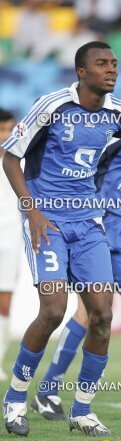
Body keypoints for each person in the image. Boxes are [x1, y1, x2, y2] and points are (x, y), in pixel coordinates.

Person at [1, 41, 121, 437]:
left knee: (102, 315)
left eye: (115, 64)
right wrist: (31, 209)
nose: (111, 69)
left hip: (89, 223)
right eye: (102, 64)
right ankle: (16, 397)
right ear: (81, 72)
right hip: (47, 219)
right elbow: (10, 156)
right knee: (53, 309)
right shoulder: (51, 107)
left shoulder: (119, 113)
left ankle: (82, 409)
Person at [32, 72, 121, 422]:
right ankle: (47, 391)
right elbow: (82, 171)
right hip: (91, 229)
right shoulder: (115, 132)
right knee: (89, 313)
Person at [0, 109, 22, 381]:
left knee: (4, 303)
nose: (5, 135)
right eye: (0, 129)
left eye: (8, 129)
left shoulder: (20, 162)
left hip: (11, 238)